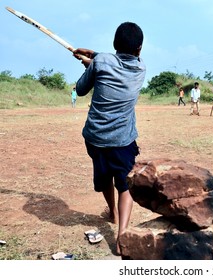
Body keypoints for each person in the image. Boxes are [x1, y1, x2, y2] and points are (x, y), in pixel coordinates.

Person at [73, 22, 146, 255]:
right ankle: (122, 234)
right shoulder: (141, 68)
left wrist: (90, 65)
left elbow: (81, 89)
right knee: (125, 185)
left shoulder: (101, 62)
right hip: (123, 140)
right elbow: (110, 63)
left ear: (114, 44)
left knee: (105, 178)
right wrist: (93, 59)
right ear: (140, 49)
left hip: (96, 137)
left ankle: (112, 213)